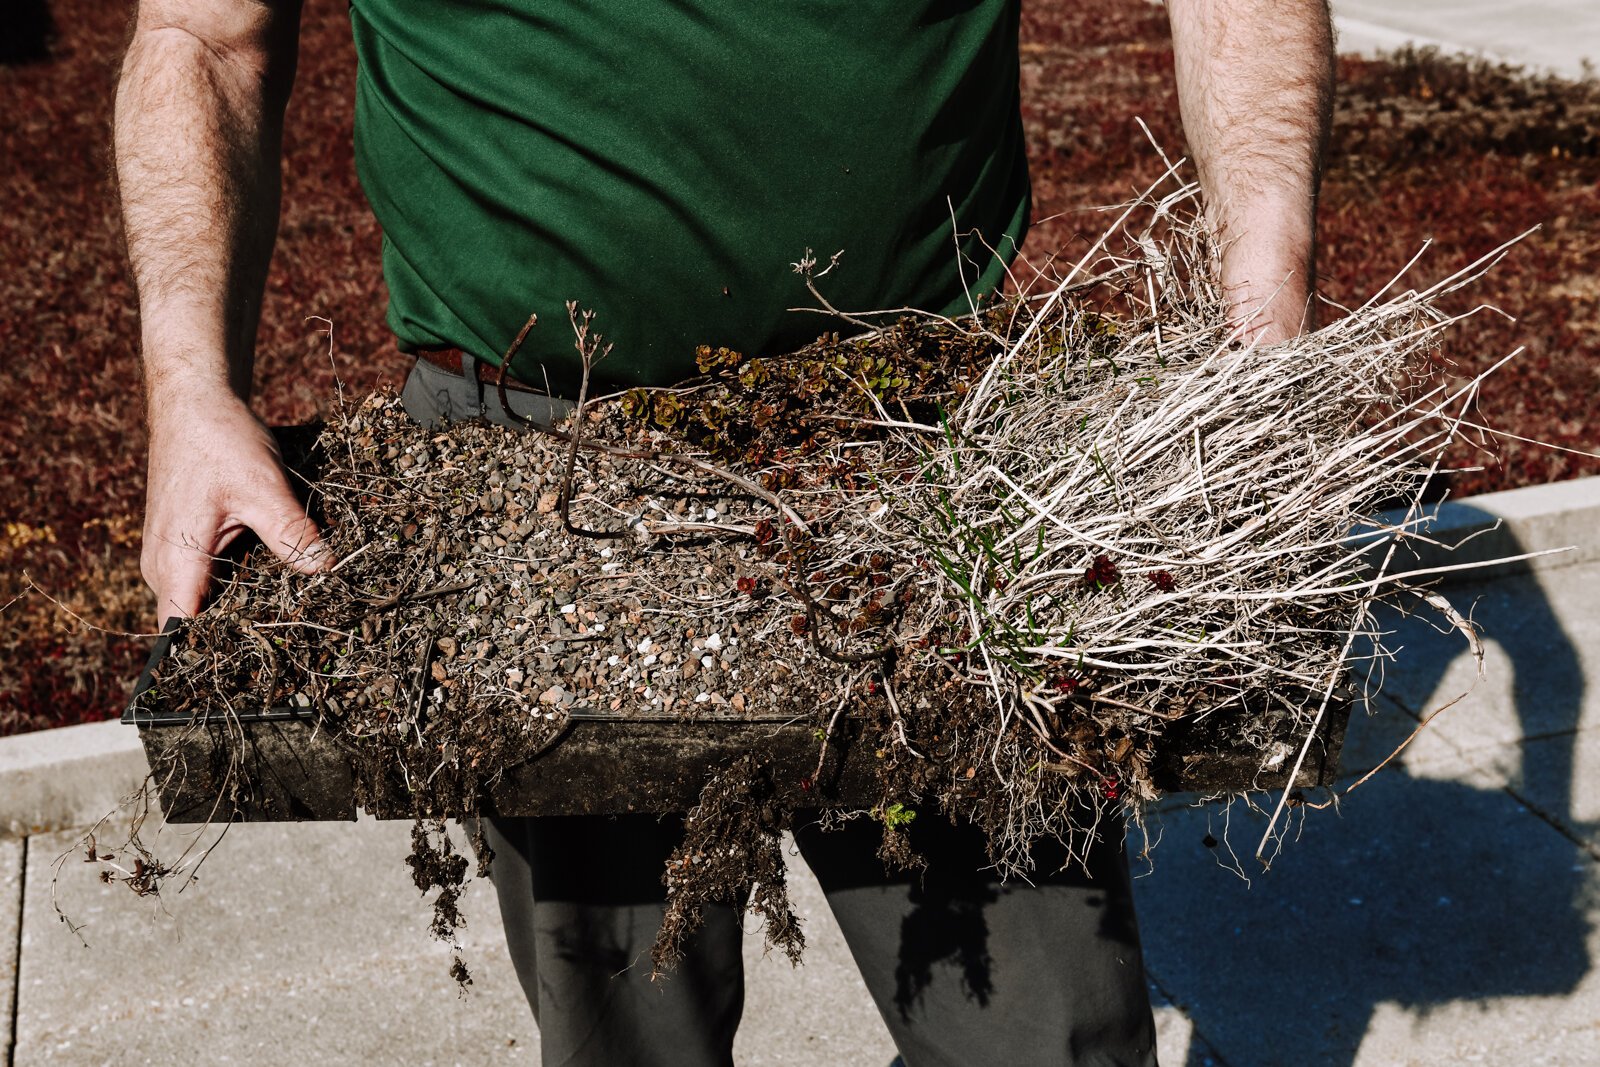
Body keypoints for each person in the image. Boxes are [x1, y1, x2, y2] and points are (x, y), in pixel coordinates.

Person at [118, 1, 1334, 1063]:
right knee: (625, 1031)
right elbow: (202, 31)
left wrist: (1262, 312)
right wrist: (189, 386)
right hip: (524, 481)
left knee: (1041, 1030)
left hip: (933, 448)